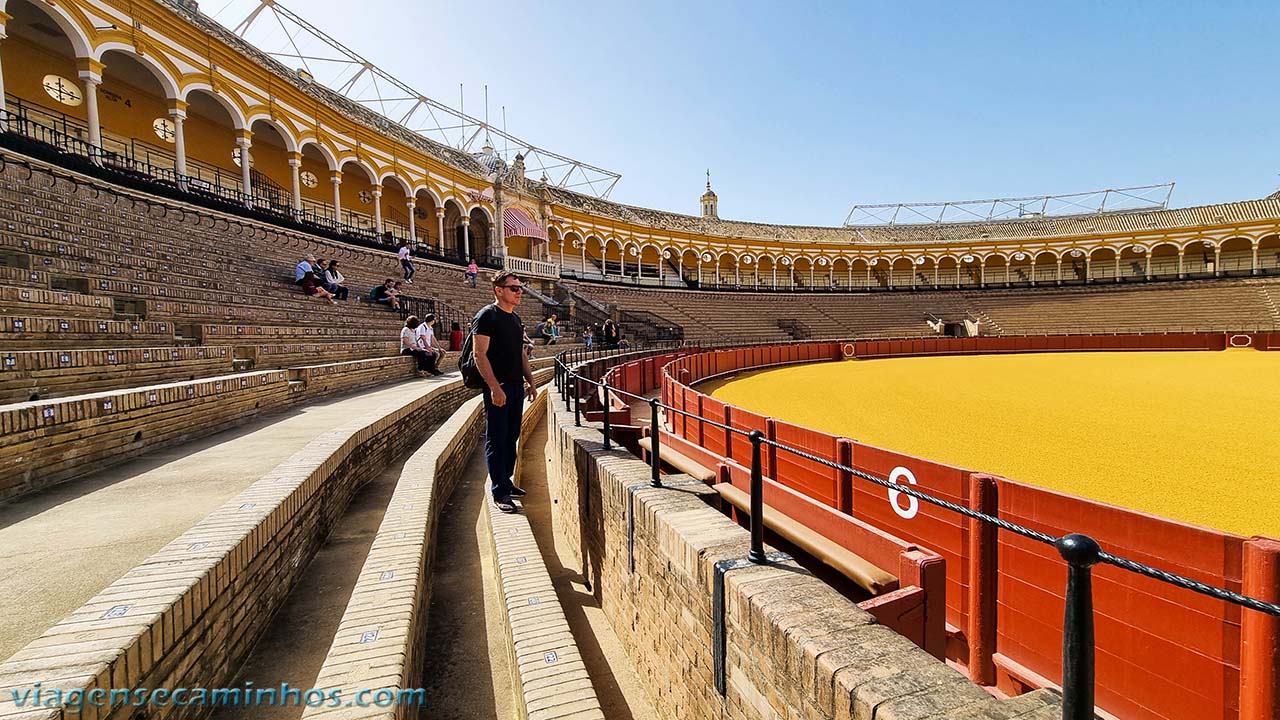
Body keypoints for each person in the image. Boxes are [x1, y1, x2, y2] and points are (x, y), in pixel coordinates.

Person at [473, 271, 536, 513]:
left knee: (511, 437)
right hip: (499, 388)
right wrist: (494, 387)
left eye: (520, 288)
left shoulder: (515, 319)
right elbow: (480, 355)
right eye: (514, 288)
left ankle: (506, 482)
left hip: (516, 387)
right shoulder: (487, 316)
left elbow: (521, 354)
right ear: (499, 290)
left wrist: (530, 381)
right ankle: (499, 491)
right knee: (497, 439)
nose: (519, 292)